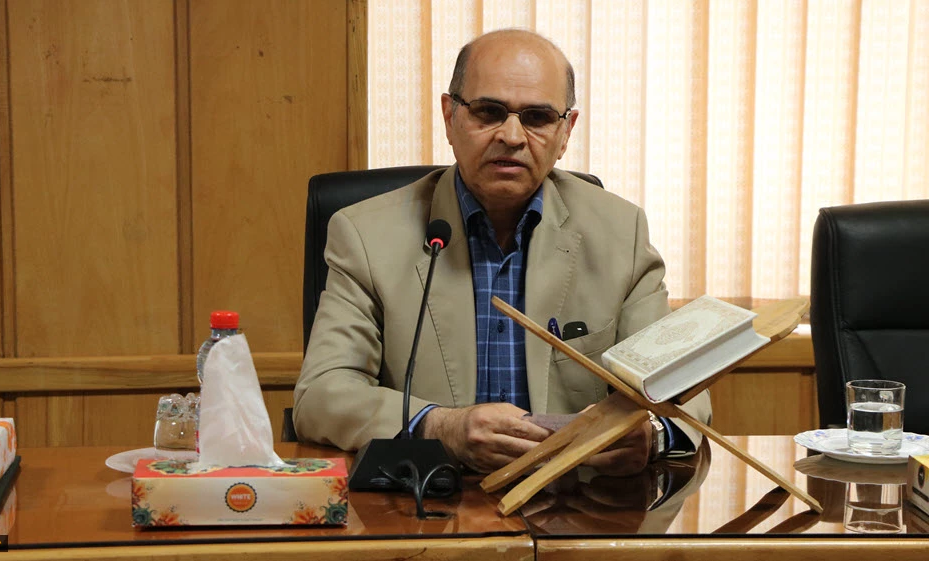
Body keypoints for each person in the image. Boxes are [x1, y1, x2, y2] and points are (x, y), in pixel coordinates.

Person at [294, 29, 711, 474]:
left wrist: (651, 432)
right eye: (489, 112)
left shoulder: (620, 232)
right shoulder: (366, 234)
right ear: (449, 117)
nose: (512, 136)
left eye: (537, 117)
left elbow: (683, 388)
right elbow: (322, 394)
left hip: (574, 498)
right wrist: (441, 427)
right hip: (431, 495)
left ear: (565, 132)